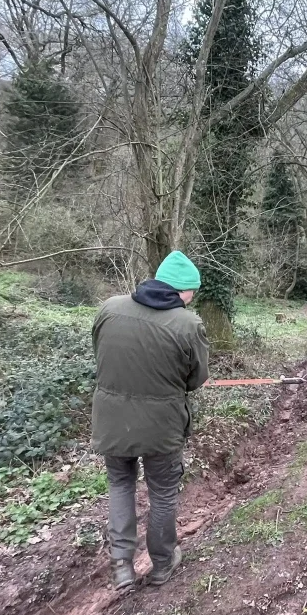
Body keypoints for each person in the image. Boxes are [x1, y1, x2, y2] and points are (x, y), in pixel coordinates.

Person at [92, 251, 210, 590]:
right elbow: (195, 379)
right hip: (162, 427)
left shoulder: (109, 309)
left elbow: (102, 358)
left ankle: (122, 566)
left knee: (120, 484)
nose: (191, 298)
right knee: (162, 493)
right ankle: (161, 563)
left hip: (112, 422)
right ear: (181, 290)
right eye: (192, 291)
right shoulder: (188, 324)